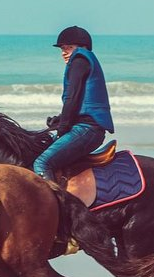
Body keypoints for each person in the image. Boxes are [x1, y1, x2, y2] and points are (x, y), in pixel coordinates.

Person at [33, 26, 115, 181]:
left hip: (87, 129)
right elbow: (79, 101)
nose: (64, 52)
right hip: (86, 128)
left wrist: (63, 128)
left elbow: (72, 98)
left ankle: (56, 204)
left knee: (41, 163)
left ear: (83, 47)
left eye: (68, 48)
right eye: (62, 49)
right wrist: (60, 119)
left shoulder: (79, 59)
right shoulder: (83, 60)